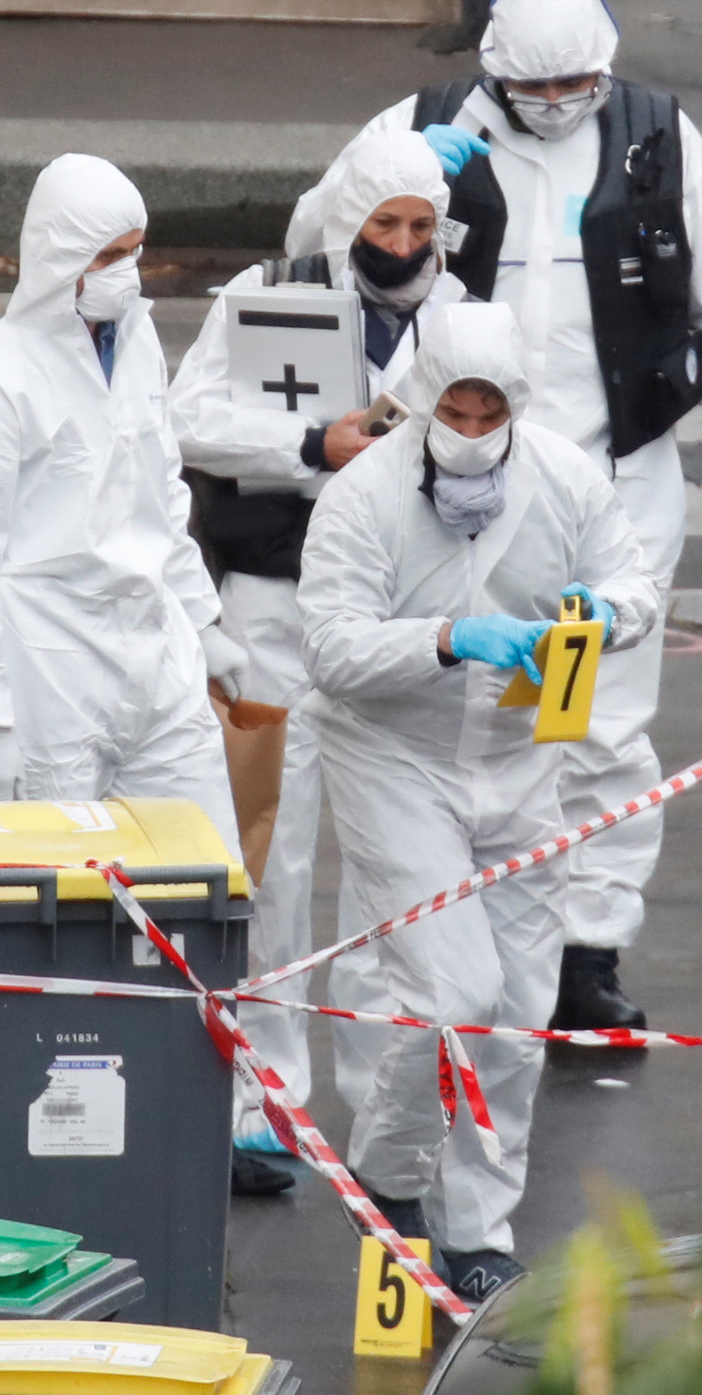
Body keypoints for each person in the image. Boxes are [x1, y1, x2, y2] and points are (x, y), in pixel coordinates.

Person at [287, 0, 702, 1031]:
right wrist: (391, 179)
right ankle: (448, 925)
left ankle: (586, 950)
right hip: (455, 475)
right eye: (535, 89)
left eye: (577, 86)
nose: (557, 106)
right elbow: (306, 243)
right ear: (494, 74)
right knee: (450, 710)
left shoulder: (659, 140)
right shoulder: (424, 124)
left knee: (597, 721)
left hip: (610, 476)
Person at [298, 301, 658, 1300]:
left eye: (487, 413)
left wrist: (608, 613)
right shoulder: (364, 495)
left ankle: (476, 1232)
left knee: (517, 1011)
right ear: (422, 401)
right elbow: (328, 648)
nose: (469, 430)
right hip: (394, 758)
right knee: (453, 994)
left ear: (516, 406)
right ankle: (389, 1172)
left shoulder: (564, 478)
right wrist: (448, 638)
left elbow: (632, 580)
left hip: (518, 758)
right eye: (452, 412)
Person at [167, 129, 466, 1176]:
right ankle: (262, 1092)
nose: (403, 245)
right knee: (271, 851)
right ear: (347, 221)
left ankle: (388, 1097)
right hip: (274, 602)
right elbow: (187, 420)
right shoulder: (267, 296)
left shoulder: (462, 316)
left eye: (420, 226)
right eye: (384, 223)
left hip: (394, 618)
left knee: (394, 857)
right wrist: (310, 447)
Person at [0, 152, 241, 850]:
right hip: (51, 677)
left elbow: (161, 491)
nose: (127, 272)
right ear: (58, 256)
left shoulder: (136, 341)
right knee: (60, 888)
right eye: (107, 256)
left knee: (203, 865)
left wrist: (200, 618)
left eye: (135, 252)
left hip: (157, 661)